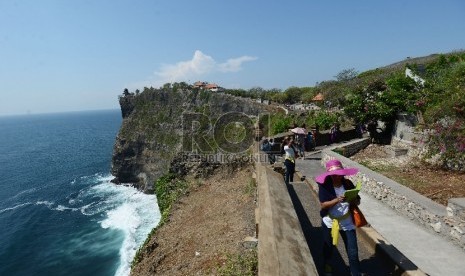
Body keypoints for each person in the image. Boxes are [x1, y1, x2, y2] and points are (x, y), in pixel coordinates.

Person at [316, 159, 361, 276]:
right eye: (334, 175)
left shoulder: (348, 184)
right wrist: (337, 200)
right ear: (329, 175)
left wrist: (353, 199)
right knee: (329, 248)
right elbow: (323, 204)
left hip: (347, 222)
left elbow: (358, 201)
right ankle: (327, 266)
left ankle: (355, 273)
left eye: (339, 174)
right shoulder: (325, 186)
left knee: (353, 252)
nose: (337, 176)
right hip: (330, 221)